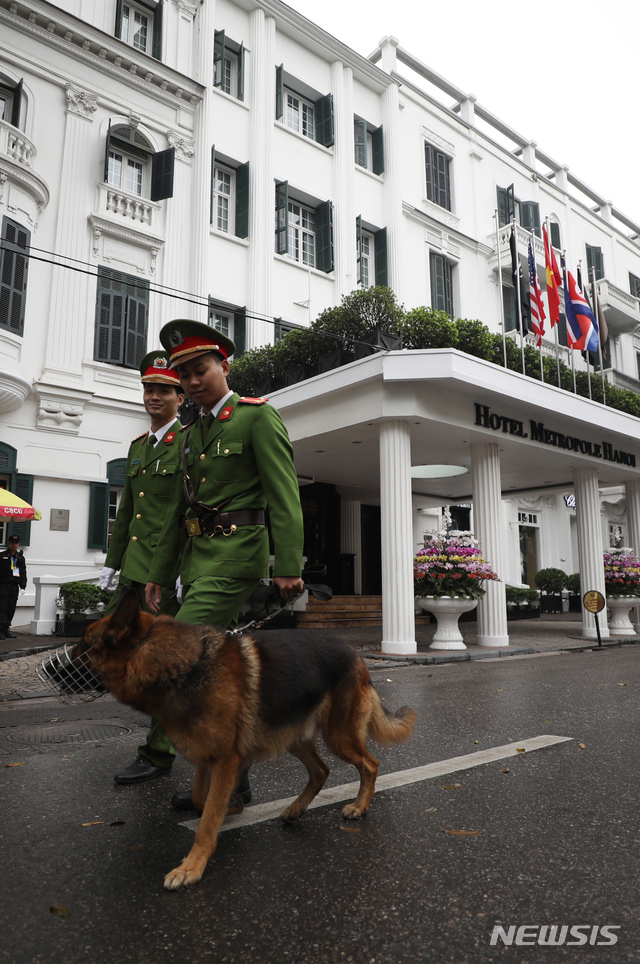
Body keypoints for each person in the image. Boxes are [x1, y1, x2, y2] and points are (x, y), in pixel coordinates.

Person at [145, 319, 304, 812]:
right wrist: (157, 571)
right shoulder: (191, 433)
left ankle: (198, 766)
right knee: (220, 673)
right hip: (197, 562)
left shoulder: (256, 417)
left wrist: (288, 564)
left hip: (237, 557)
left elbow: (285, 495)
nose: (193, 381)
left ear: (224, 366)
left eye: (201, 369)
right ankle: (235, 781)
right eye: (185, 375)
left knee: (176, 652)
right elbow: (178, 511)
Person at [100, 350, 185, 785]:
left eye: (163, 390)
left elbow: (190, 512)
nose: (154, 396)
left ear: (180, 396)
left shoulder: (189, 441)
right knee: (121, 651)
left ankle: (158, 751)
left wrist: (184, 568)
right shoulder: (137, 448)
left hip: (166, 574)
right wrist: (112, 565)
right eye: (149, 389)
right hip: (134, 569)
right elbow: (128, 511)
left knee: (158, 663)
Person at [0, 534, 27, 639]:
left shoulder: (20, 558)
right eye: (12, 543)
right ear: (8, 543)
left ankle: (6, 629)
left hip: (14, 586)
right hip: (3, 585)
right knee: (2, 608)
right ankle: (0, 630)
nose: (14, 545)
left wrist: (23, 586)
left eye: (16, 543)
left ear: (18, 544)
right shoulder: (2, 556)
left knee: (11, 608)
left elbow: (23, 572)